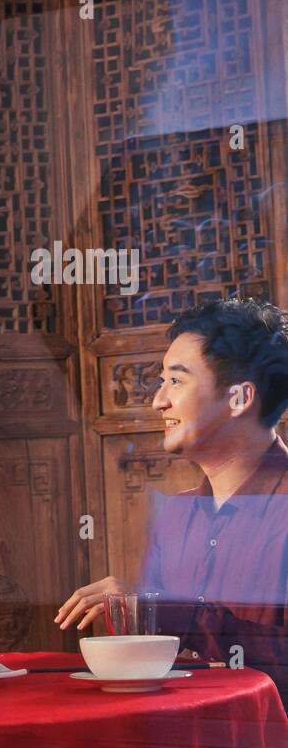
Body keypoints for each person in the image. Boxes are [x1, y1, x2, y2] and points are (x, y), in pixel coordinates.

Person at [56, 298, 288, 696]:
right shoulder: (178, 514)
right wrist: (135, 613)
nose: (158, 401)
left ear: (240, 397)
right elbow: (165, 659)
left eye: (176, 381)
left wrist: (162, 611)